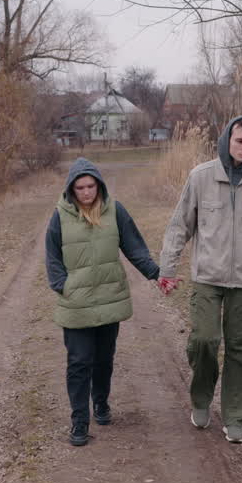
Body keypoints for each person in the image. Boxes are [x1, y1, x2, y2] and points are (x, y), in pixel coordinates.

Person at [158, 116, 242, 444]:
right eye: (240, 141)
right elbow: (180, 225)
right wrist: (168, 268)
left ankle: (235, 415)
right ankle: (201, 399)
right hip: (207, 277)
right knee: (204, 340)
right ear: (227, 139)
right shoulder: (201, 177)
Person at [45, 157, 160, 447]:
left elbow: (134, 245)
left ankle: (101, 403)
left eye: (91, 186)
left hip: (109, 300)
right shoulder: (59, 217)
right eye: (80, 187)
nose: (86, 192)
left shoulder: (114, 210)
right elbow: (52, 257)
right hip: (77, 304)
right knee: (78, 362)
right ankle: (79, 421)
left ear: (99, 186)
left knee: (103, 360)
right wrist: (63, 286)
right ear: (71, 189)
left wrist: (155, 274)